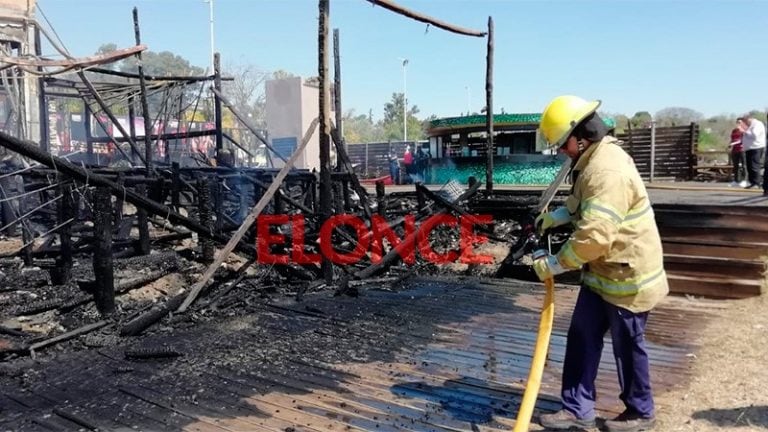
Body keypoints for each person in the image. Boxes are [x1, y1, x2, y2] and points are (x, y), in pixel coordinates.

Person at [532, 95, 668, 432]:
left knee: (627, 345)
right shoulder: (591, 160)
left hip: (627, 274)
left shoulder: (606, 169)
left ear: (582, 136)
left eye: (564, 143)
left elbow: (595, 236)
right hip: (603, 271)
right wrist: (557, 217)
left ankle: (640, 413)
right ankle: (577, 408)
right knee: (582, 334)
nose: (562, 150)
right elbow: (584, 207)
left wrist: (553, 264)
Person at [741, 113, 766, 189]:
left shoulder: (757, 124)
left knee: (754, 166)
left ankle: (757, 182)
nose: (745, 123)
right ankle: (752, 182)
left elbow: (755, 135)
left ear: (749, 119)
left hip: (756, 147)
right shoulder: (750, 126)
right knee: (749, 166)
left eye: (745, 121)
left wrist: (745, 130)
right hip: (749, 148)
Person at [729, 119, 747, 187]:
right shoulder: (734, 130)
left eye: (740, 122)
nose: (738, 123)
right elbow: (732, 139)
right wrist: (730, 144)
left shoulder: (744, 131)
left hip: (742, 149)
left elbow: (743, 140)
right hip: (734, 150)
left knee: (743, 166)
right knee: (735, 166)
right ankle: (736, 180)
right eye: (737, 122)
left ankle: (744, 180)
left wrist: (734, 143)